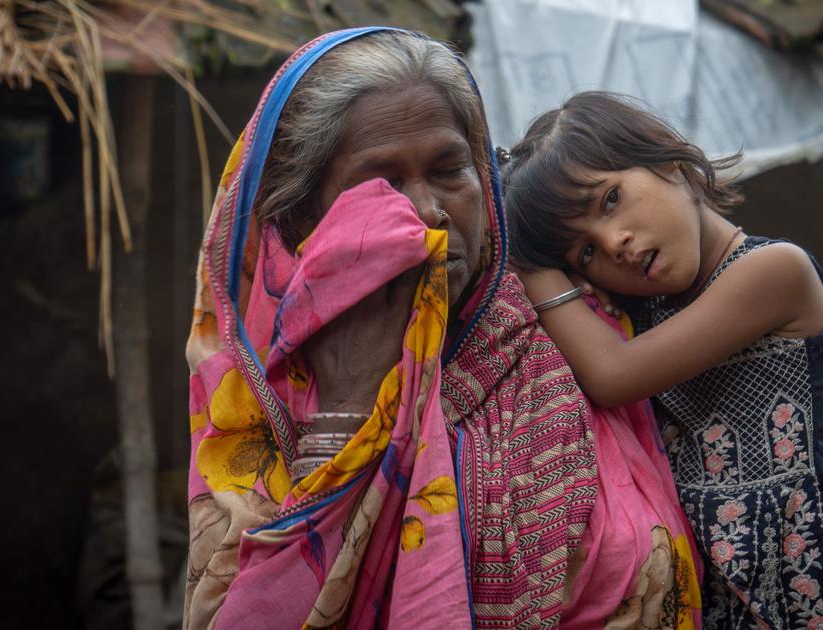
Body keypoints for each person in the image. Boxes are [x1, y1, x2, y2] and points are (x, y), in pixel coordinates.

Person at [183, 31, 704, 629]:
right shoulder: (256, 399)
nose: (428, 210)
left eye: (449, 169)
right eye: (379, 181)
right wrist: (348, 412)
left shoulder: (576, 327)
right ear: (302, 215)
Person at [500, 91, 823, 629]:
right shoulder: (644, 318)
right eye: (585, 252)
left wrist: (524, 259)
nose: (614, 241)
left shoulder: (773, 271)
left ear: (671, 163)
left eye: (610, 199)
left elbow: (612, 375)